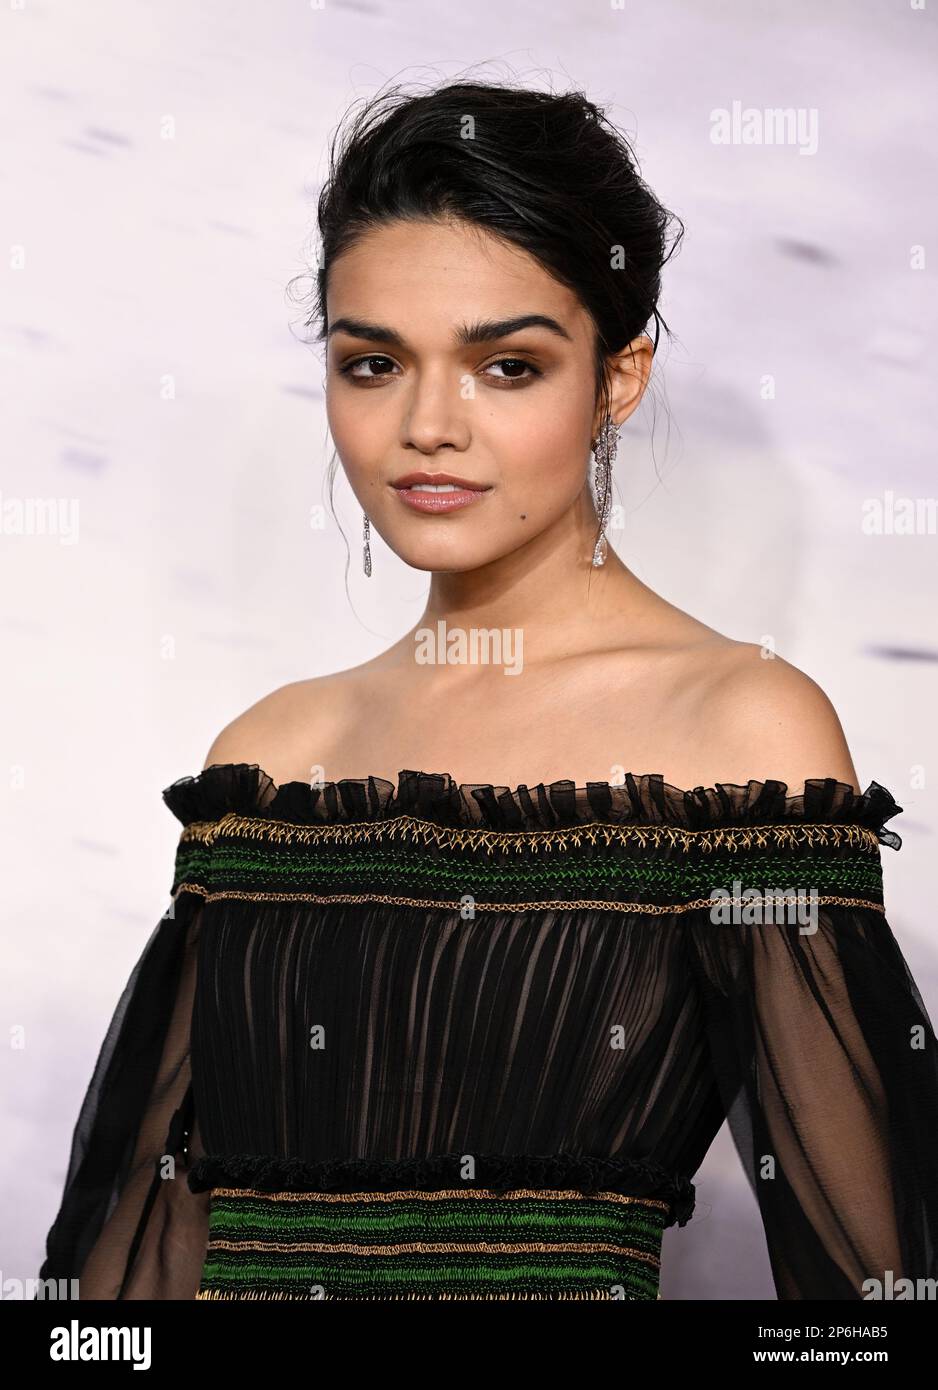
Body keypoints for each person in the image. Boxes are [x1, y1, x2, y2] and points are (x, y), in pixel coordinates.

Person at [37, 78, 938, 1301]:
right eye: (372, 363)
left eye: (503, 365)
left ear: (616, 379)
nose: (426, 426)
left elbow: (868, 1286)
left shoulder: (738, 736)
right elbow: (134, 1271)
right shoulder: (271, 756)